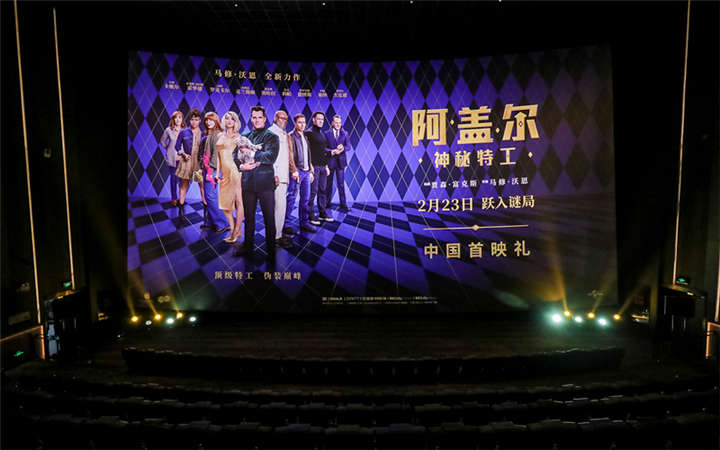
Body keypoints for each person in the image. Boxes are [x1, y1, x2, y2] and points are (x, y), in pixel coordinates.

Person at [233, 106, 279, 260]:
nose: (257, 120)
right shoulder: (244, 135)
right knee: (249, 218)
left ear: (265, 119)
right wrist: (241, 166)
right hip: (248, 183)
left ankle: (271, 250)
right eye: (254, 117)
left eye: (260, 117)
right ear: (251, 118)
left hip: (265, 184)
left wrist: (250, 152)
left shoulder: (272, 137)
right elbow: (234, 155)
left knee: (269, 219)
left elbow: (270, 157)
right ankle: (248, 247)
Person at [216, 111, 260, 243]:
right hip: (225, 173)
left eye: (232, 119)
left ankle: (236, 230)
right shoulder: (219, 135)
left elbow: (248, 154)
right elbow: (218, 156)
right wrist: (217, 172)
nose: (229, 121)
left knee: (239, 201)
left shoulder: (239, 137)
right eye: (227, 118)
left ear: (236, 122)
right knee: (225, 204)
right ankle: (233, 228)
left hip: (236, 172)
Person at [268, 110, 297, 249]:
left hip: (284, 175)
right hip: (277, 176)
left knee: (280, 207)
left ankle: (277, 233)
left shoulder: (283, 133)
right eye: (281, 118)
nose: (284, 121)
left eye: (286, 119)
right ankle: (276, 237)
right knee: (278, 207)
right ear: (275, 118)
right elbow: (271, 155)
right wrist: (274, 173)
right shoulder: (271, 132)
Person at [284, 113, 316, 234]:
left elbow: (308, 154)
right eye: (299, 122)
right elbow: (290, 155)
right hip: (297, 172)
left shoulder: (305, 136)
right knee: (291, 198)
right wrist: (294, 170)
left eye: (304, 122)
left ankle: (304, 222)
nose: (302, 125)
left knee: (305, 199)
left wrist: (311, 170)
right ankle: (286, 224)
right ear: (295, 123)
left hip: (306, 172)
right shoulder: (291, 136)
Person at [199, 111, 230, 232]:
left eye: (211, 120)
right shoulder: (210, 135)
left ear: (216, 121)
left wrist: (210, 172)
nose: (208, 122)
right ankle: (211, 222)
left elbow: (216, 156)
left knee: (210, 196)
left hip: (211, 170)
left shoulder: (217, 135)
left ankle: (222, 224)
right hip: (206, 168)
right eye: (207, 120)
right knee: (210, 196)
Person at [174, 108, 203, 216]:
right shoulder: (183, 132)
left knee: (201, 185)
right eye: (192, 120)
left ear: (200, 120)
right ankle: (181, 209)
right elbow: (177, 146)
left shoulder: (203, 133)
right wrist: (183, 154)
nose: (194, 122)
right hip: (186, 162)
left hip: (198, 164)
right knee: (184, 185)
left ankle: (206, 209)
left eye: (196, 120)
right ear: (189, 120)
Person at [305, 111, 333, 224]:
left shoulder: (322, 134)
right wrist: (310, 167)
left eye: (322, 119)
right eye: (319, 119)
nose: (321, 121)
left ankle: (322, 213)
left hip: (322, 167)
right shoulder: (308, 133)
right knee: (313, 191)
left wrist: (326, 166)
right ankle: (310, 215)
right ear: (314, 120)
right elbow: (306, 152)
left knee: (323, 190)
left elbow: (323, 152)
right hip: (314, 167)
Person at [324, 114, 351, 212]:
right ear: (332, 123)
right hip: (330, 162)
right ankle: (327, 203)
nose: (338, 124)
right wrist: (332, 151)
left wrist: (343, 148)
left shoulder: (345, 133)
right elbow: (324, 148)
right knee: (328, 184)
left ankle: (343, 204)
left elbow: (348, 146)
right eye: (336, 122)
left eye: (339, 123)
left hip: (341, 163)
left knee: (341, 184)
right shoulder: (327, 133)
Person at [159, 111, 184, 206]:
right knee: (173, 178)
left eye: (179, 117)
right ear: (173, 119)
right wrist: (168, 148)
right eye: (175, 117)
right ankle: (174, 198)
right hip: (172, 158)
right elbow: (162, 141)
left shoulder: (185, 130)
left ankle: (182, 198)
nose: (177, 119)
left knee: (182, 180)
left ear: (182, 119)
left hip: (183, 159)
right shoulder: (168, 130)